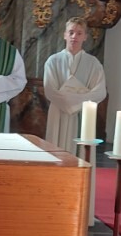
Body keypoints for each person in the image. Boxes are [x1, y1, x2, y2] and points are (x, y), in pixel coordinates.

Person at [43, 17, 107, 156]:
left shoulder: (93, 63)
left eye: (79, 33)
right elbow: (50, 90)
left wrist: (75, 102)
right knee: (56, 151)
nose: (74, 36)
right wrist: (79, 98)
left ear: (85, 37)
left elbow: (100, 92)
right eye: (71, 32)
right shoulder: (53, 61)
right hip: (58, 113)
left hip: (83, 114)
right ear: (64, 35)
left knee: (81, 155)